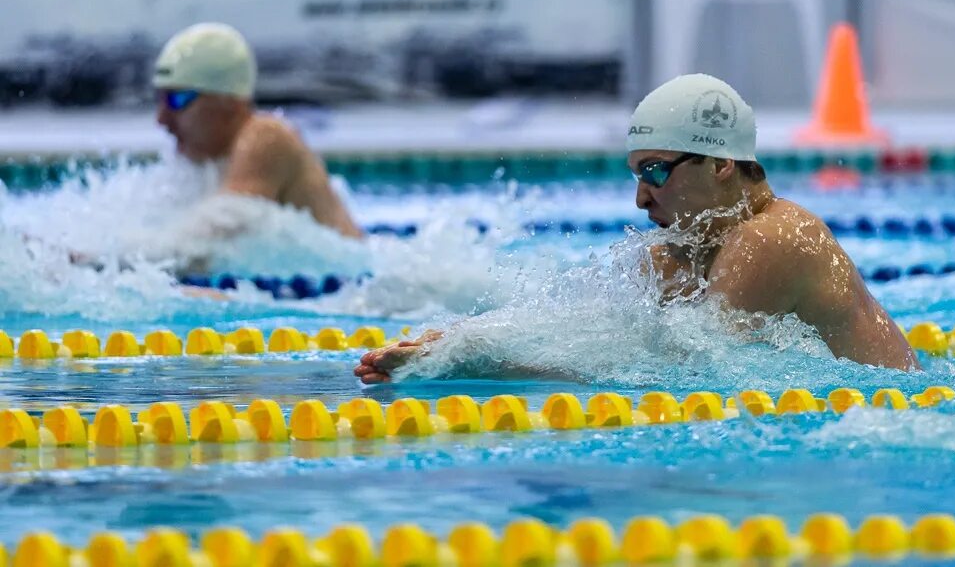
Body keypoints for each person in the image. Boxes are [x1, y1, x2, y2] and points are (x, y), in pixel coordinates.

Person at [356, 74, 915, 384]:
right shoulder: (688, 247)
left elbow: (685, 369)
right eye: (636, 173)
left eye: (655, 170)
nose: (641, 195)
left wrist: (479, 366)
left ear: (720, 163)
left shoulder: (771, 239)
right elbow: (586, 328)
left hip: (894, 418)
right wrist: (459, 341)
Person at [153, 22, 362, 241]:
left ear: (227, 100)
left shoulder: (266, 136)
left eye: (176, 100)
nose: (162, 119)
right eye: (159, 100)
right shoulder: (211, 165)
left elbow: (209, 241)